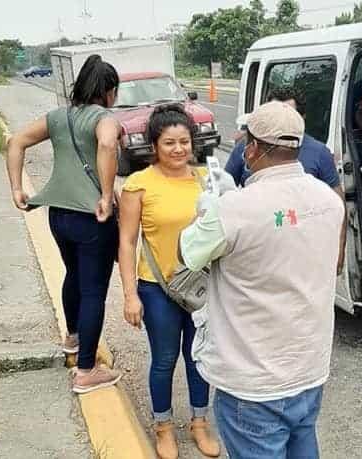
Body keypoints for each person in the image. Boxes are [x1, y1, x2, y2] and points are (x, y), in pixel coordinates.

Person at [179, 101, 345, 458]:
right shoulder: (328, 201)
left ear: (252, 148)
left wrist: (207, 207)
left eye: (245, 143)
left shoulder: (234, 209)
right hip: (309, 369)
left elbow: (188, 255)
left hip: (253, 383)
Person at [6, 54, 123, 394]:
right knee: (93, 290)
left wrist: (17, 187)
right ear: (110, 90)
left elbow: (16, 141)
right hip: (92, 218)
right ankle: (86, 371)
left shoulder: (58, 117)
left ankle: (72, 339)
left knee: (73, 275)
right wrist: (105, 195)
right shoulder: (104, 118)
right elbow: (105, 143)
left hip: (57, 215)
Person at [118, 105, 220, 459]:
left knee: (199, 357)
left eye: (184, 142)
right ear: (154, 146)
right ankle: (163, 426)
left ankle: (199, 422)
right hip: (157, 288)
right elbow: (127, 242)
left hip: (201, 287)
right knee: (164, 359)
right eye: (169, 143)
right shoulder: (139, 185)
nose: (178, 150)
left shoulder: (206, 179)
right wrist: (130, 294)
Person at [225, 88, 341, 190]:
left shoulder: (320, 153)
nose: (280, 120)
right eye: (273, 114)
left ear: (302, 117)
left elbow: (337, 204)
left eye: (288, 114)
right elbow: (225, 188)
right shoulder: (246, 147)